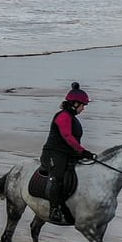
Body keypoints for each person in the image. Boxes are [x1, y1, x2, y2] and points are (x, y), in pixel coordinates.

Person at [39, 82, 95, 225]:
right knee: (58, 176)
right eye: (83, 105)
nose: (83, 108)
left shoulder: (73, 118)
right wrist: (82, 151)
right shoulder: (63, 116)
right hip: (53, 153)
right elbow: (68, 137)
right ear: (74, 103)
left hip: (67, 153)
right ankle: (54, 209)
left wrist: (83, 154)